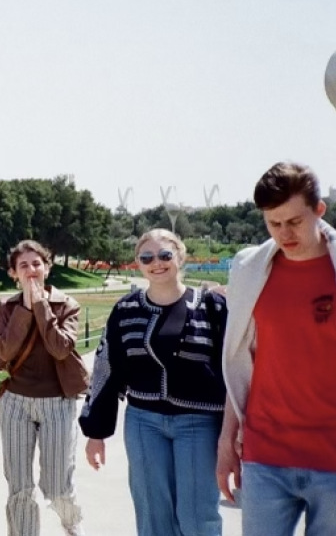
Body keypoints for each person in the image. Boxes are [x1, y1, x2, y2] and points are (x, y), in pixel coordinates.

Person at [79, 229, 228, 536]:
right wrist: (96, 432)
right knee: (152, 514)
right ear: (138, 263)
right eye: (146, 257)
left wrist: (237, 431)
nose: (156, 263)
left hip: (199, 423)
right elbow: (106, 369)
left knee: (197, 516)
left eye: (164, 255)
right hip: (144, 423)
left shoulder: (212, 307)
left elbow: (234, 368)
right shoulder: (125, 310)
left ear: (180, 257)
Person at [216, 162, 336, 536]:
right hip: (265, 454)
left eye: (294, 221)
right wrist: (226, 441)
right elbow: (238, 359)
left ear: (320, 210)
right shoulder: (251, 269)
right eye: (273, 222)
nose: (284, 233)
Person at [0, 240, 88, 536]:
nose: (31, 270)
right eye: (23, 265)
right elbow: (3, 351)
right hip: (16, 402)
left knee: (57, 486)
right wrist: (24, 309)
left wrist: (41, 306)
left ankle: (72, 524)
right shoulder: (5, 308)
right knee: (19, 486)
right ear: (13, 273)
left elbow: (60, 349)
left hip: (57, 402)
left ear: (47, 267)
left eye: (36, 264)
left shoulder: (67, 305)